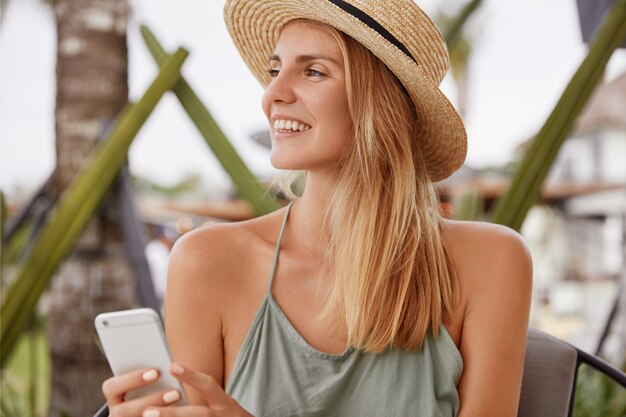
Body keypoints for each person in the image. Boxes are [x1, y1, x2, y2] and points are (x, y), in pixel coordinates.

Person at [102, 1, 532, 416]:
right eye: (274, 70)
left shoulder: (490, 261)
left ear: (378, 104)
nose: (273, 93)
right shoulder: (207, 262)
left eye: (313, 71)